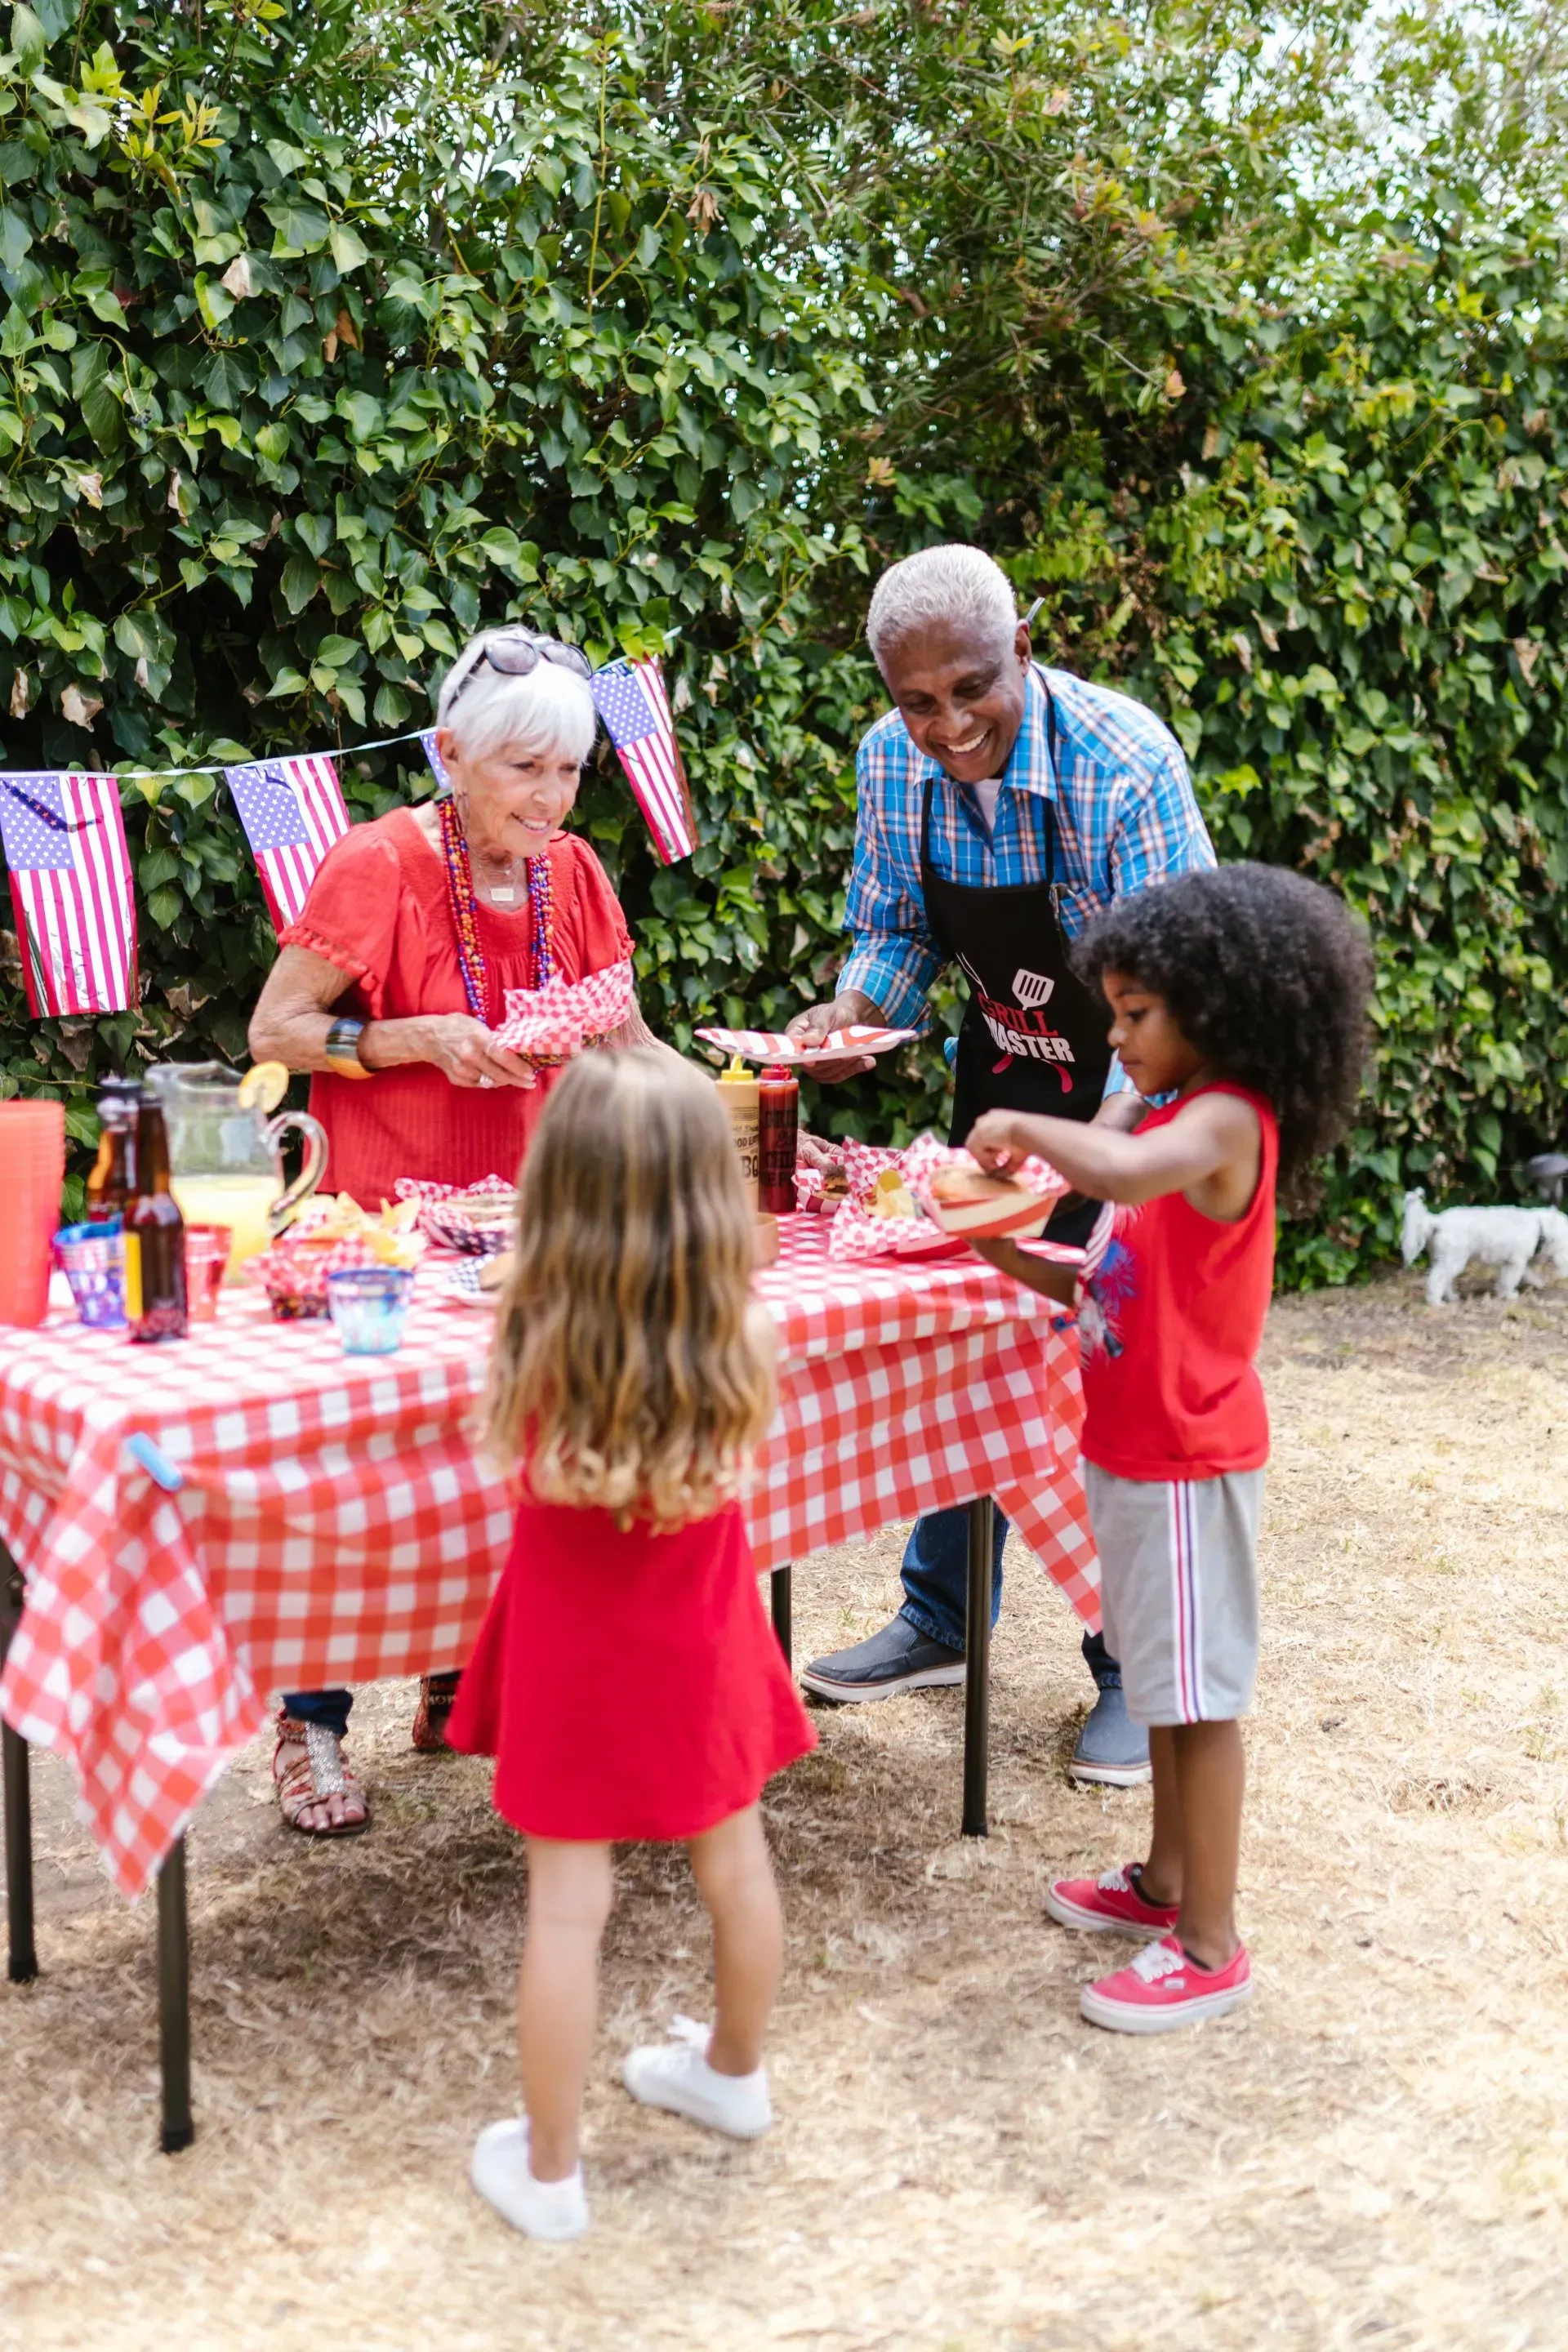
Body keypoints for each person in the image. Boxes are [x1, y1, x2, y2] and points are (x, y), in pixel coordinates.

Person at [790, 543, 1215, 1787]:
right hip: (1010, 1084)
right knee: (975, 1335)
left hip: (1143, 1091)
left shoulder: (1121, 761)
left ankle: (1138, 1667)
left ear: (1022, 647)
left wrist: (1104, 1170)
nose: (946, 725)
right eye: (915, 702)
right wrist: (847, 1021)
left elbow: (1180, 991)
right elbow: (894, 929)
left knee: (1111, 1369)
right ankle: (942, 1615)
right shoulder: (889, 761)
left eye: (970, 687)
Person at [247, 625, 670, 1835]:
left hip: (532, 1226)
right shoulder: (378, 861)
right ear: (449, 754)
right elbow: (274, 1032)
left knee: (508, 1450)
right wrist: (407, 1038)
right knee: (356, 1469)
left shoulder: (578, 876)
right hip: (380, 1231)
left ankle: (457, 1685)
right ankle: (312, 1722)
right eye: (522, 769)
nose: (550, 798)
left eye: (568, 772)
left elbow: (623, 1038)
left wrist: (730, 1105)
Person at [961, 862, 1372, 2031]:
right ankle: (1162, 1888)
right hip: (1134, 1450)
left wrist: (1019, 1121)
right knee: (1159, 1688)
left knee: (1200, 1702)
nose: (1117, 1036)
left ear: (1222, 1005)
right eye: (1114, 1012)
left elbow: (1125, 1172)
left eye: (1138, 1014)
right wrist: (985, 1241)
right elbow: (1097, 1276)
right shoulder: (1173, 1116)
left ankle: (1211, 1945)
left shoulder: (1225, 1120)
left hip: (1192, 1459)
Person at [447, 1051, 815, 2239]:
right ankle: (734, 2071)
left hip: (575, 1652)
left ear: (557, 1192)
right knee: (737, 1865)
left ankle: (550, 2176)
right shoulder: (736, 1333)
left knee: (568, 1911)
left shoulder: (534, 1328)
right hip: (705, 1637)